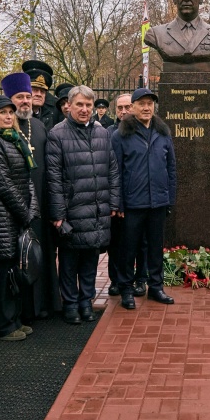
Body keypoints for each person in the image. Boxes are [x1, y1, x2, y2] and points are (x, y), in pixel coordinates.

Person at [46, 86, 121, 324]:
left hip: (97, 208)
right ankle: (70, 303)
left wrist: (114, 201)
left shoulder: (102, 133)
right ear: (69, 105)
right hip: (72, 210)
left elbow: (112, 170)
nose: (85, 109)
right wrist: (58, 213)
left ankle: (86, 301)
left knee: (90, 259)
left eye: (88, 105)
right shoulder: (57, 134)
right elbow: (53, 178)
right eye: (79, 104)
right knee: (69, 261)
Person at [0, 93, 38, 341]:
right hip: (1, 217)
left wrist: (32, 208)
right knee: (2, 274)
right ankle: (0, 327)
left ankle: (13, 320)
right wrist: (25, 212)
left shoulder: (14, 139)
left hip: (16, 215)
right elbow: (2, 183)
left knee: (14, 271)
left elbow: (27, 178)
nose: (8, 116)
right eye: (2, 112)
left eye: (10, 112)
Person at [112, 87, 177, 309]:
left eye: (150, 103)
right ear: (132, 107)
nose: (147, 108)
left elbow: (171, 168)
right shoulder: (121, 135)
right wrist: (119, 203)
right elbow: (116, 172)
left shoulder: (163, 133)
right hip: (132, 203)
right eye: (142, 104)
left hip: (157, 202)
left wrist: (169, 198)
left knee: (155, 248)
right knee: (128, 249)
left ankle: (156, 287)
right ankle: (126, 289)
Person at [2, 72, 60, 319]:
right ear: (9, 100)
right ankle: (22, 311)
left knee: (41, 253)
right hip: (15, 206)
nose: (25, 101)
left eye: (28, 96)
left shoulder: (37, 125)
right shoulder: (3, 126)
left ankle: (42, 305)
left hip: (41, 203)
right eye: (20, 97)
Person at [105, 93, 138, 297]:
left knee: (135, 243)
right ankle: (116, 280)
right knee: (115, 244)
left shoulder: (141, 131)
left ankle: (136, 279)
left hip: (136, 197)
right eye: (120, 108)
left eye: (128, 107)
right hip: (116, 196)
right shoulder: (109, 132)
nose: (124, 111)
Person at [23, 60, 63, 130]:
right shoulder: (15, 112)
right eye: (35, 90)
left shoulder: (54, 108)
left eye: (42, 91)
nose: (39, 94)